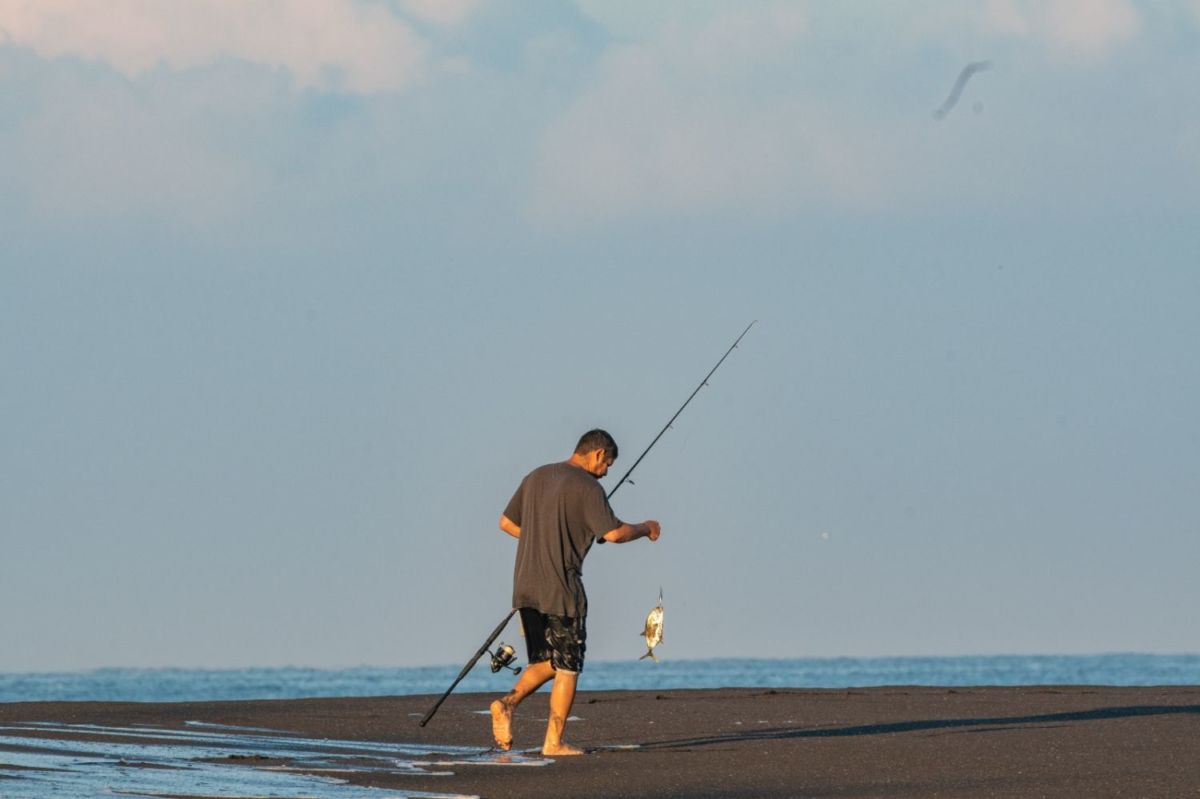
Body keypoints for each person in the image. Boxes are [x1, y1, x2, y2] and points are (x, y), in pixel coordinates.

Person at [489, 429, 661, 756]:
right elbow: (613, 533)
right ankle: (553, 742)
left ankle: (507, 703)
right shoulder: (588, 487)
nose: (608, 472)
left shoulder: (536, 476)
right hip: (561, 588)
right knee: (568, 664)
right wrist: (646, 528)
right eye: (608, 464)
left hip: (525, 585)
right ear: (597, 455)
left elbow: (506, 523)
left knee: (546, 660)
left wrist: (547, 536)